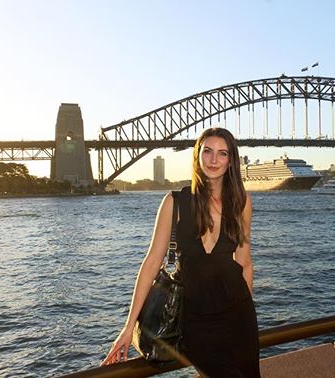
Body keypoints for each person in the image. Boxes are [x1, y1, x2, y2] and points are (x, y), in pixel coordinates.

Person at [102, 127, 260, 377]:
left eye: (222, 153)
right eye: (207, 151)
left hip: (239, 317)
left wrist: (245, 309)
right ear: (197, 156)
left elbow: (244, 262)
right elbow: (152, 263)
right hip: (196, 322)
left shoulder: (241, 203)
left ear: (231, 161)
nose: (214, 160)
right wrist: (128, 327)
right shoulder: (174, 203)